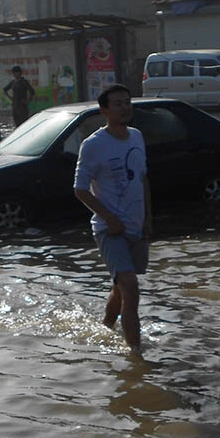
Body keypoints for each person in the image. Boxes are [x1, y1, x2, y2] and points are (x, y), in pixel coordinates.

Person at [73, 83, 152, 352]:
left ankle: (105, 328)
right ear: (105, 110)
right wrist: (109, 218)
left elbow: (142, 180)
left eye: (127, 102)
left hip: (136, 226)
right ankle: (136, 356)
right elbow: (80, 190)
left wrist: (148, 220)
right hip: (110, 228)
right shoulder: (94, 145)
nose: (125, 107)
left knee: (121, 286)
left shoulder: (137, 137)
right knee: (130, 285)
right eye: (118, 103)